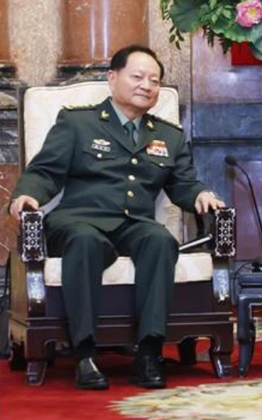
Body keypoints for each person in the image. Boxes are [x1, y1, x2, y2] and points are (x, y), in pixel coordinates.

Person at [9, 45, 225, 390]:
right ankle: (84, 354)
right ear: (113, 78)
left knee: (160, 241)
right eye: (137, 77)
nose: (147, 86)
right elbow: (45, 171)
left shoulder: (168, 136)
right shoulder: (78, 122)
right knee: (85, 241)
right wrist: (27, 194)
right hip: (79, 219)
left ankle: (150, 352)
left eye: (154, 80)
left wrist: (199, 194)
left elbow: (182, 184)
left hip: (133, 224)